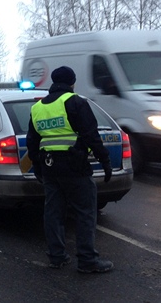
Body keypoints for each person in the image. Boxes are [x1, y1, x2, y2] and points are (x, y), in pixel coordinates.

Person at [27, 66, 114, 273]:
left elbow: (33, 141)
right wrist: (105, 161)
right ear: (72, 82)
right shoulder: (75, 102)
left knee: (53, 212)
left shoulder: (37, 107)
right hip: (74, 166)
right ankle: (87, 260)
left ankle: (56, 257)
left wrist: (37, 166)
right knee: (85, 212)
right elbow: (91, 135)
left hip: (49, 166)